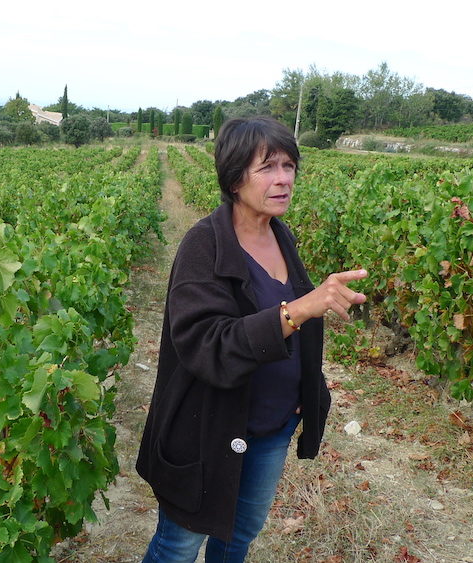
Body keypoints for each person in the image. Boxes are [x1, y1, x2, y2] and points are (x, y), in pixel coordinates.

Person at [137, 116, 368, 562]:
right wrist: (302, 308)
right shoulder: (203, 246)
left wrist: (305, 388)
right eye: (267, 167)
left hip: (270, 430)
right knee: (179, 545)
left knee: (238, 536)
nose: (283, 179)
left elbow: (294, 333)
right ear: (234, 175)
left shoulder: (282, 237)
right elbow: (208, 345)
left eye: (289, 166)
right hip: (207, 428)